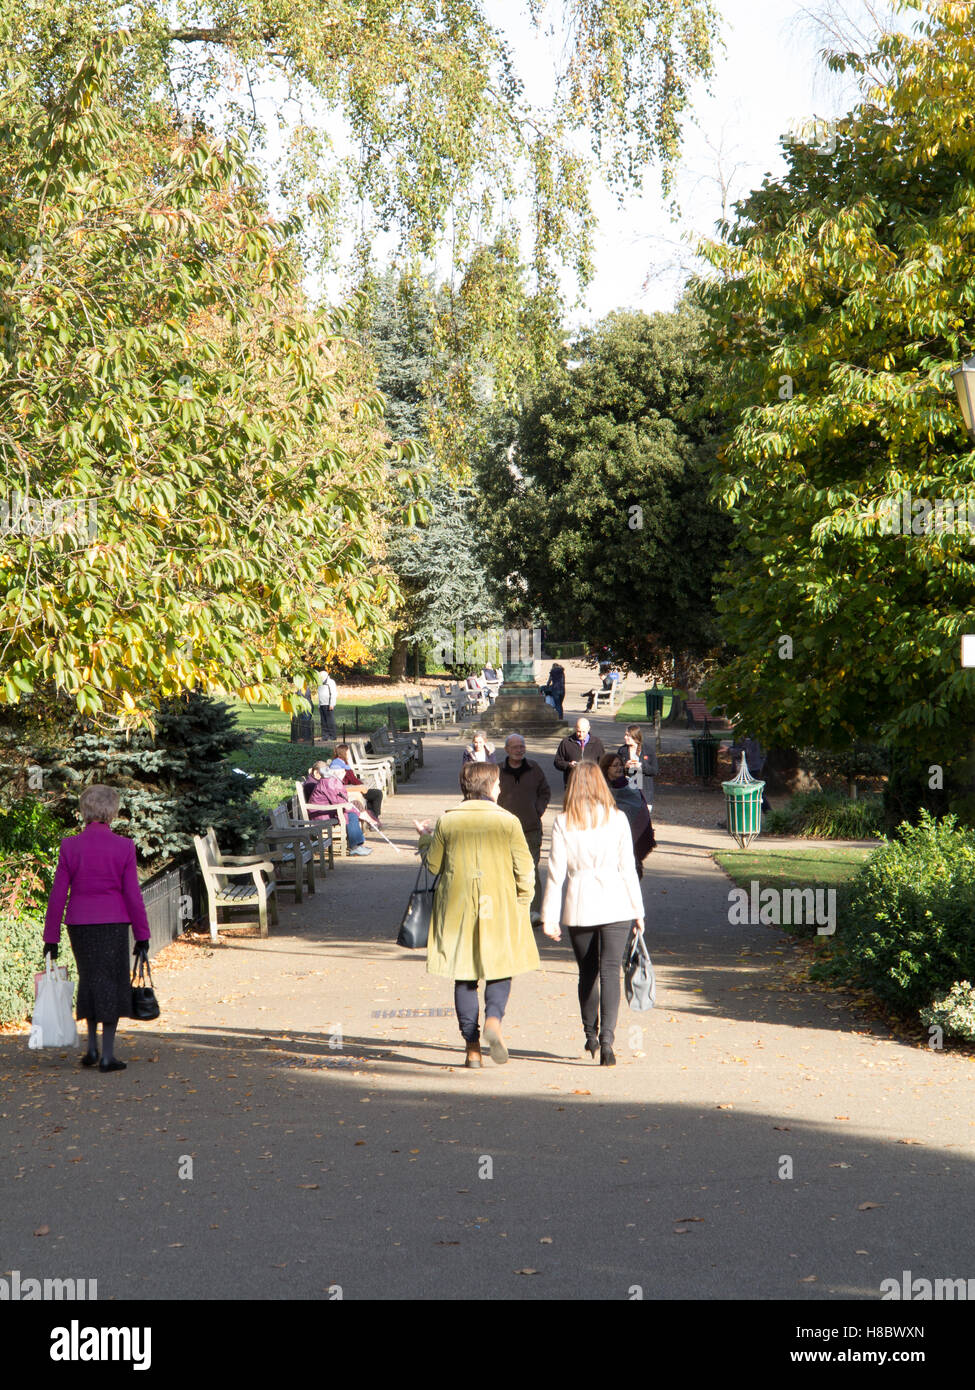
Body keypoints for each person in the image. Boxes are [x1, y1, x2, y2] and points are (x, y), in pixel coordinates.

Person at [415, 762, 538, 1068]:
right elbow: (525, 869)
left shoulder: (448, 821)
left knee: (465, 976)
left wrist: (424, 839)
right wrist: (523, 902)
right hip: (499, 905)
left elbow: (433, 866)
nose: (500, 788)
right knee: (500, 968)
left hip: (457, 908)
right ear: (487, 786)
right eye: (497, 784)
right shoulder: (508, 821)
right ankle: (494, 1021)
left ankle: (471, 1047)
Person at [541, 762, 644, 1067]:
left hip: (580, 901)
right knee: (611, 970)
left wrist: (549, 915)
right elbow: (628, 868)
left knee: (588, 971)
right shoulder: (617, 819)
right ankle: (609, 1040)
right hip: (616, 901)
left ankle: (591, 1035)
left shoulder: (564, 821)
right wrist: (638, 911)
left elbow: (555, 872)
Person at [42, 784, 150, 1073]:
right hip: (114, 923)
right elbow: (132, 895)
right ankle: (108, 1055)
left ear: (85, 810)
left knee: (90, 980)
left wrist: (50, 937)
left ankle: (91, 1048)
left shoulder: (70, 846)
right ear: (111, 811)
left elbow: (57, 894)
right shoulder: (124, 846)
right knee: (112, 983)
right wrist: (143, 935)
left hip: (80, 924)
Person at [497, 733, 551, 925]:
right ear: (507, 750)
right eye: (515, 747)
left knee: (531, 868)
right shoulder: (498, 771)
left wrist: (538, 810)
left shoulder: (534, 768)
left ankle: (534, 911)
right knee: (507, 869)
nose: (520, 749)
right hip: (504, 831)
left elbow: (545, 791)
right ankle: (511, 908)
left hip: (530, 828)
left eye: (522, 746)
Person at [600, 753, 654, 878]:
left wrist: (635, 769)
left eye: (620, 765)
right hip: (608, 838)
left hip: (630, 834)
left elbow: (639, 804)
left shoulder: (630, 784)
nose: (619, 768)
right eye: (615, 766)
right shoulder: (602, 788)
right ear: (606, 768)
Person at [303, 762, 372, 855]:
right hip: (320, 815)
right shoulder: (327, 782)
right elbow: (336, 800)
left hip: (324, 811)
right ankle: (355, 847)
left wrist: (350, 805)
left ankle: (357, 845)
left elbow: (338, 797)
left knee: (351, 811)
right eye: (339, 772)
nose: (342, 773)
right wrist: (353, 809)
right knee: (351, 815)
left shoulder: (327, 781)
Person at [330, 744, 383, 822]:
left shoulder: (336, 762)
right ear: (344, 753)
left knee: (370, 795)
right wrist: (362, 785)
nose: (348, 754)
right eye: (348, 752)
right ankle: (374, 818)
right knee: (377, 794)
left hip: (347, 787)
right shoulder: (342, 765)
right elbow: (353, 780)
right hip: (348, 789)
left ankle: (373, 817)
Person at [554, 718, 606, 787]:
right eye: (578, 731)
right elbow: (557, 762)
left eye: (583, 732)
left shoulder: (597, 743)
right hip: (572, 784)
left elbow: (604, 764)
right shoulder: (566, 742)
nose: (581, 734)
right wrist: (568, 765)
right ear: (575, 728)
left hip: (592, 785)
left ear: (588, 729)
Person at [617, 724, 658, 812]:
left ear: (634, 736)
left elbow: (654, 771)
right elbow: (616, 771)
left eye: (627, 735)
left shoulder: (648, 749)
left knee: (643, 820)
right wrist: (625, 766)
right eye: (625, 735)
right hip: (627, 790)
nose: (625, 737)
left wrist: (641, 766)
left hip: (644, 791)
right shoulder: (622, 751)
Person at [730, 735, 771, 814]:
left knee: (747, 793)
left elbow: (745, 752)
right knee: (754, 793)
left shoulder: (746, 732)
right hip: (753, 766)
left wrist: (729, 750)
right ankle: (770, 815)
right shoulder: (752, 730)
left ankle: (770, 815)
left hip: (749, 767)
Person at [317, 669, 338, 741]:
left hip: (328, 704)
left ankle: (333, 736)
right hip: (322, 704)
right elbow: (320, 694)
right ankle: (325, 736)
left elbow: (333, 694)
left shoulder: (331, 682)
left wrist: (331, 704)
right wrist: (319, 705)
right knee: (323, 722)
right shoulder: (320, 683)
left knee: (330, 721)